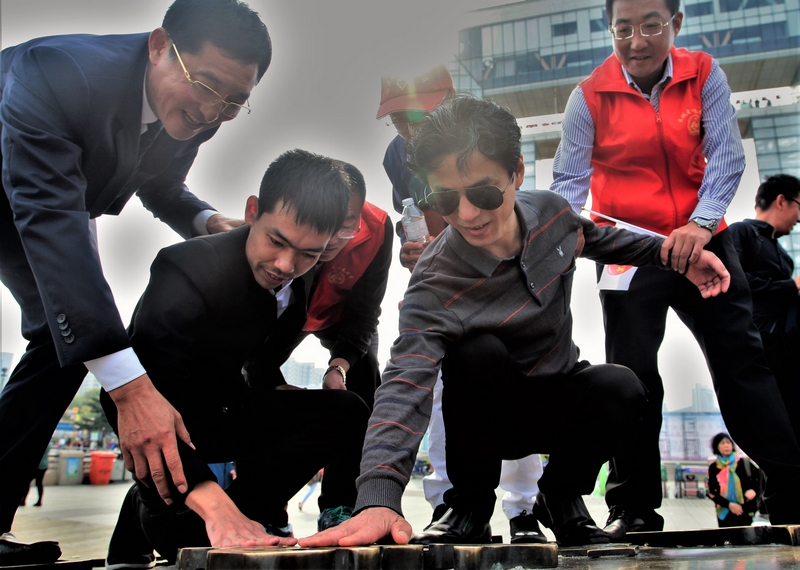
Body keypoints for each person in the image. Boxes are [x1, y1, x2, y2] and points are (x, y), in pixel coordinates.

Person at [300, 95, 731, 549]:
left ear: (517, 173)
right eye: (446, 198)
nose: (467, 214)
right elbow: (404, 385)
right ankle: (469, 507)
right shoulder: (434, 280)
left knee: (621, 387)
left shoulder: (551, 214)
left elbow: (606, 240)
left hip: (557, 400)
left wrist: (678, 258)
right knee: (475, 352)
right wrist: (378, 498)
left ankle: (561, 498)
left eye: (484, 193)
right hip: (486, 416)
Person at [0, 0, 272, 562]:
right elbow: (52, 222)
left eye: (233, 102)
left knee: (62, 341)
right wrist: (132, 391)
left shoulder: (196, 109)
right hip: (32, 198)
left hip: (52, 206)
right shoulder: (58, 73)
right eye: (206, 85)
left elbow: (161, 182)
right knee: (77, 327)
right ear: (158, 46)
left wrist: (207, 222)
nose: (212, 111)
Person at [551, 0, 800, 537]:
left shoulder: (704, 73)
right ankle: (633, 508)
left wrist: (701, 224)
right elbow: (568, 185)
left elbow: (727, 156)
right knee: (632, 376)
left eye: (650, 26)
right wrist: (559, 241)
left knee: (743, 364)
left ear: (676, 24)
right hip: (626, 249)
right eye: (623, 29)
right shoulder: (587, 96)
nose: (636, 41)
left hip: (705, 238)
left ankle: (793, 492)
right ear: (610, 29)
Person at [99, 149, 371, 565]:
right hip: (165, 422)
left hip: (228, 409)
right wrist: (210, 503)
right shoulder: (186, 268)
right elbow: (139, 397)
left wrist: (277, 391)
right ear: (251, 212)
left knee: (346, 410)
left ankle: (248, 516)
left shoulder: (298, 282)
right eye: (276, 241)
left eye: (309, 254)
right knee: (190, 545)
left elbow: (261, 354)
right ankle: (151, 509)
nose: (286, 265)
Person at [378, 67, 547, 544]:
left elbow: (509, 212)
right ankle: (450, 505)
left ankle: (523, 508)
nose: (408, 129)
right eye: (397, 119)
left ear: (449, 97)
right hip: (446, 286)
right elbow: (415, 216)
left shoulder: (486, 131)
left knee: (513, 384)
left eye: (417, 115)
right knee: (441, 394)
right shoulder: (396, 156)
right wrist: (413, 250)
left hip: (501, 280)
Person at [728, 174, 800, 441]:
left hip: (786, 344)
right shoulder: (742, 232)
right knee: (776, 420)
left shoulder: (784, 257)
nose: (799, 218)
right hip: (760, 342)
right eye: (799, 206)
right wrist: (791, 285)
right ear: (781, 201)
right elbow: (735, 280)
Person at [707, 433, 759, 528]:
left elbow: (760, 480)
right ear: (716, 447)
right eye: (722, 443)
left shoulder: (744, 463)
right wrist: (730, 505)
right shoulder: (714, 467)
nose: (726, 445)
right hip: (725, 511)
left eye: (728, 442)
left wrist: (753, 490)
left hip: (746, 510)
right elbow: (711, 492)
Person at [20, 443, 51, 508]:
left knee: (27, 483)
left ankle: (23, 500)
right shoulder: (48, 444)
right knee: (39, 483)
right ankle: (39, 501)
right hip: (44, 465)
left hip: (37, 466)